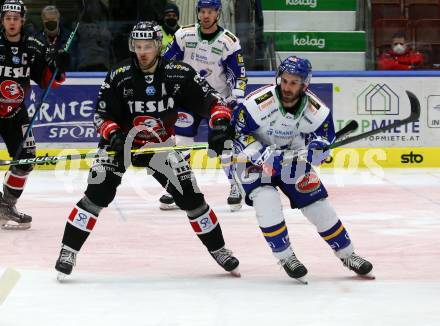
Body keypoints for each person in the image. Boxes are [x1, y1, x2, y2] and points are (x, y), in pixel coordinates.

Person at [54, 21, 240, 279]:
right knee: (96, 195)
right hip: (119, 144)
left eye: (148, 46)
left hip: (160, 146)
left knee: (192, 198)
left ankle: (219, 249)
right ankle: (68, 251)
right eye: (137, 46)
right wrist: (114, 135)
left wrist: (219, 124)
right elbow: (100, 115)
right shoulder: (120, 74)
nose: (142, 52)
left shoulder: (179, 73)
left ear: (158, 47)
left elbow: (213, 102)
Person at [210, 56, 373, 282]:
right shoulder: (257, 103)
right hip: (251, 160)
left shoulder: (318, 111)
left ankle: (348, 254)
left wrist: (319, 150)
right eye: (284, 81)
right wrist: (264, 156)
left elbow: (323, 141)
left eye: (294, 83)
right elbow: (237, 134)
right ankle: (287, 257)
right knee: (266, 201)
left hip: (291, 159)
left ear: (304, 85)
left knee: (318, 206)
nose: (287, 87)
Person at [162, 0, 248, 211]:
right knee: (181, 143)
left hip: (217, 101)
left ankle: (235, 186)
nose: (206, 15)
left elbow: (239, 74)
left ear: (217, 13)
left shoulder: (229, 41)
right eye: (203, 11)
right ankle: (180, 188)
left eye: (211, 11)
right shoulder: (184, 35)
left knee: (223, 144)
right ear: (198, 13)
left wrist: (235, 98)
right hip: (189, 98)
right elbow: (164, 62)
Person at [0, 0, 68, 230]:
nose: (11, 22)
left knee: (26, 158)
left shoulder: (33, 46)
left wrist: (58, 66)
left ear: (22, 20)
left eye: (15, 18)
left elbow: (49, 82)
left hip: (16, 112)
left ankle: (6, 206)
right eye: (7, 18)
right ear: (2, 20)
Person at [34, 5, 71, 70]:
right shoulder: (35, 39)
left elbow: (74, 61)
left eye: (53, 19)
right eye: (47, 19)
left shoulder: (69, 37)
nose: (50, 22)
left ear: (58, 19)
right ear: (43, 20)